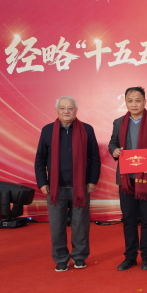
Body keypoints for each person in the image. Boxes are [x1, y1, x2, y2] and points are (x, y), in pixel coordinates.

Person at [34, 97, 101, 271]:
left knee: (80, 225)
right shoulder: (48, 130)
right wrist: (42, 182)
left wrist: (92, 181)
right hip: (55, 188)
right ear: (56, 110)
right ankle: (61, 258)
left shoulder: (86, 129)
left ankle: (79, 256)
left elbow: (94, 157)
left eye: (70, 108)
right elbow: (40, 159)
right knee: (57, 226)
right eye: (62, 108)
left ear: (76, 110)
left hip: (81, 186)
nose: (66, 111)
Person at [108, 87, 147, 271]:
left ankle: (146, 257)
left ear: (144, 101)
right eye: (130, 101)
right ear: (126, 102)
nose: (134, 104)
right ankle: (130, 257)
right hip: (126, 179)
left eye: (138, 100)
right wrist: (114, 150)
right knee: (128, 219)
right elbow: (113, 142)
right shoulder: (118, 123)